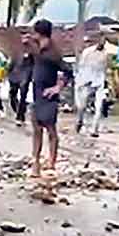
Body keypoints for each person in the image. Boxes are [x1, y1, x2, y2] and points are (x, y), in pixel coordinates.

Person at [30, 19, 72, 177]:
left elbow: (68, 71)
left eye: (34, 32)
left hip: (49, 96)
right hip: (36, 94)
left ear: (40, 34)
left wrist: (57, 88)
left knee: (50, 129)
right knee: (36, 128)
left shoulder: (53, 53)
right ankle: (36, 160)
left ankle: (52, 162)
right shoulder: (38, 49)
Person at [74, 34, 109, 134]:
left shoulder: (105, 53)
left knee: (99, 106)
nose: (102, 43)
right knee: (82, 106)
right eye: (101, 41)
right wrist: (81, 81)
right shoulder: (87, 52)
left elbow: (104, 67)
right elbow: (81, 66)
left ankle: (94, 129)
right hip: (87, 81)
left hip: (99, 82)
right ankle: (79, 122)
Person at [7, 36, 35, 126]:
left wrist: (31, 76)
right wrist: (8, 73)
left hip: (25, 77)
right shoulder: (17, 52)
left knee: (23, 96)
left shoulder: (32, 52)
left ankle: (20, 116)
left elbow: (33, 66)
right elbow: (12, 63)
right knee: (12, 95)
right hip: (14, 76)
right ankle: (19, 111)